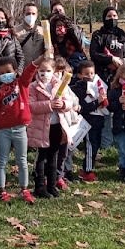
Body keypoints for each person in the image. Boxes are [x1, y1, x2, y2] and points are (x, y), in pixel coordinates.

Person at [28, 55, 80, 198]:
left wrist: (63, 105)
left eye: (48, 70)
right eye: (41, 71)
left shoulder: (59, 85)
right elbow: (30, 106)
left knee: (53, 157)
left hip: (57, 126)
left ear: (54, 71)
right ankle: (39, 186)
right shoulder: (33, 87)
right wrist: (49, 105)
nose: (45, 74)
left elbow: (68, 102)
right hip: (41, 128)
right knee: (41, 157)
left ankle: (51, 186)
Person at [0, 56, 38, 203]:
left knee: (22, 160)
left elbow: (30, 70)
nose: (5, 74)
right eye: (1, 73)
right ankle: (2, 190)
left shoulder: (22, 84)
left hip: (20, 129)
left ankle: (24, 189)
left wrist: (42, 58)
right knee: (2, 161)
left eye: (8, 71)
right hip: (3, 131)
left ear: (15, 71)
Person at [69, 60, 108, 183]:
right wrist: (97, 102)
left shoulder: (99, 84)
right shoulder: (78, 89)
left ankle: (88, 167)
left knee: (96, 145)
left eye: (92, 73)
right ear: (80, 75)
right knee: (90, 145)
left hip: (98, 120)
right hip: (88, 122)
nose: (90, 76)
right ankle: (87, 171)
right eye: (86, 73)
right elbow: (84, 107)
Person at [89, 7, 125, 85]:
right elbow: (94, 53)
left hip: (121, 74)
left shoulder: (123, 35)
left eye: (114, 16)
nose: (112, 18)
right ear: (104, 18)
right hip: (103, 74)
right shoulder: (98, 35)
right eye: (109, 16)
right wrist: (111, 59)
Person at [17, 2, 46, 67]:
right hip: (23, 70)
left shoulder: (43, 31)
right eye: (28, 14)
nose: (31, 16)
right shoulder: (15, 32)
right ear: (23, 14)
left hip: (40, 70)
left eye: (33, 14)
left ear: (37, 15)